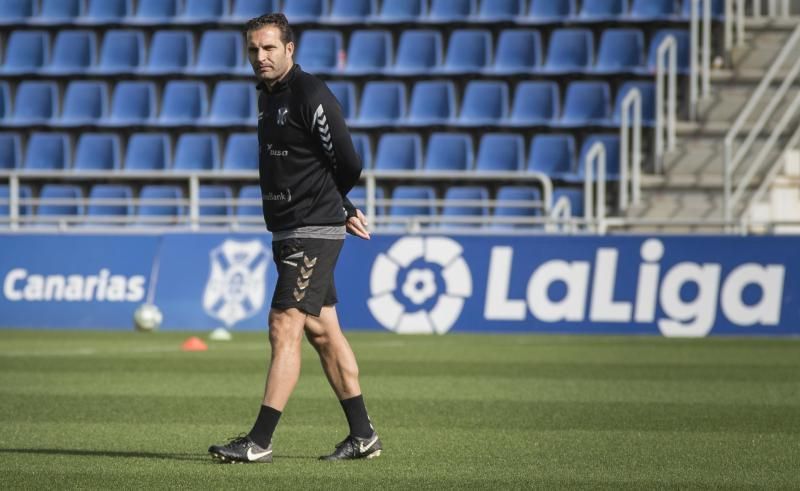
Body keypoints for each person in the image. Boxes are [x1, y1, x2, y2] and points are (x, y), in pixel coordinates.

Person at [208, 13, 381, 463]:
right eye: (253, 49)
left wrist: (336, 206)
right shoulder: (267, 93)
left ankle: (259, 442)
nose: (260, 57)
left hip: (310, 228)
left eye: (269, 48)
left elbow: (347, 162)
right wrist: (338, 206)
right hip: (290, 227)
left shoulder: (311, 94)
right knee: (324, 332)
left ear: (290, 49)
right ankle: (363, 436)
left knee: (284, 325)